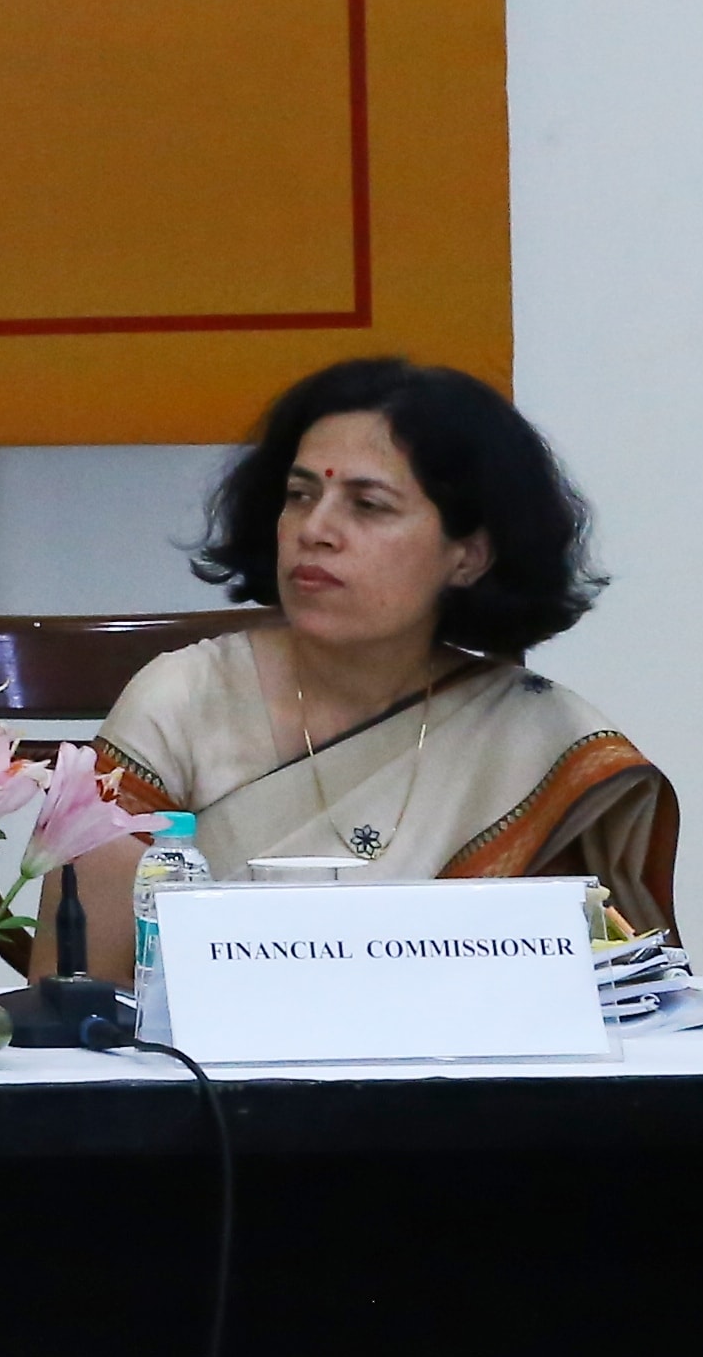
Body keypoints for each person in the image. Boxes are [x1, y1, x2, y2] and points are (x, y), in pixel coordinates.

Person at [90, 359, 666, 934]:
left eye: (368, 505)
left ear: (469, 555)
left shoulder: (537, 741)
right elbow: (87, 978)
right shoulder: (182, 703)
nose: (314, 529)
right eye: (299, 495)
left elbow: (601, 980)